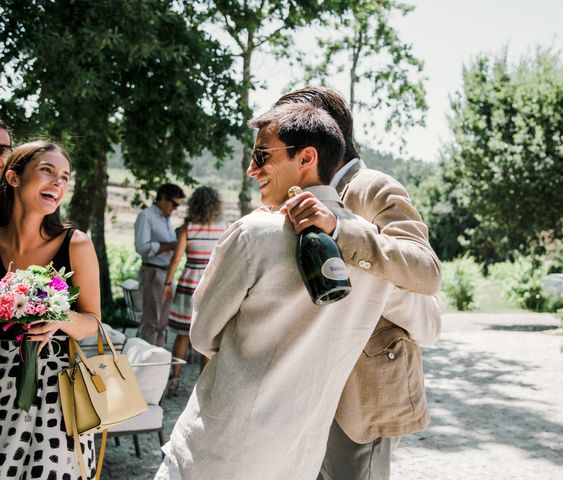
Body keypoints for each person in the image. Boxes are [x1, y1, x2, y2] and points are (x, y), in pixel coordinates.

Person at [156, 103, 435, 480]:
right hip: (298, 458)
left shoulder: (255, 232)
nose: (252, 169)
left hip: (220, 446)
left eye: (261, 155)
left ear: (307, 156)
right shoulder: (376, 263)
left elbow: (203, 335)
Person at [275, 86, 442, 480]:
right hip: (315, 383)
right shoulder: (304, 192)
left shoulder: (373, 186)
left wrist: (340, 229)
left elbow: (425, 269)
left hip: (361, 393)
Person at [0, 141, 101, 479]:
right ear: (13, 178)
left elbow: (92, 323)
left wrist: (57, 315)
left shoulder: (76, 244)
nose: (58, 183)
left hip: (53, 393)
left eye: (64, 177)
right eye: (47, 171)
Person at [162, 186, 227, 396]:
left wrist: (166, 282)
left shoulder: (188, 228)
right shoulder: (224, 227)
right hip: (212, 284)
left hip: (189, 283)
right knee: (207, 337)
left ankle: (174, 380)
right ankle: (202, 386)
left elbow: (176, 259)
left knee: (182, 335)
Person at [134, 183, 185, 347]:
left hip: (166, 275)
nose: (175, 208)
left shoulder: (166, 219)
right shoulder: (146, 216)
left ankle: (157, 365)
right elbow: (142, 247)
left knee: (163, 324)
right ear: (162, 198)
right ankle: (144, 365)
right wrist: (171, 246)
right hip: (153, 272)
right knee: (151, 323)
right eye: (174, 204)